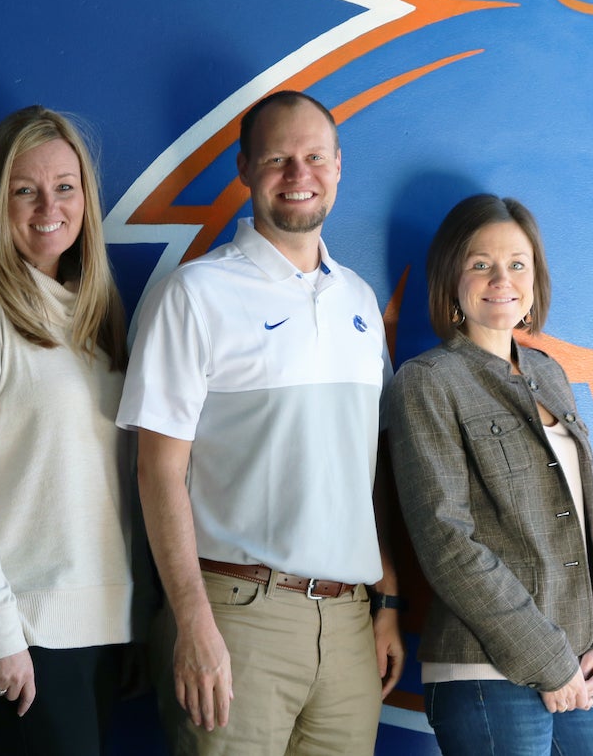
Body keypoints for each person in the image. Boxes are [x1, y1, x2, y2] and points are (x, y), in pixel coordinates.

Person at [119, 90, 405, 755]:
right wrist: (191, 619)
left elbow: (369, 471)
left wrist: (386, 602)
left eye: (312, 157)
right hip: (235, 616)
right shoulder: (193, 293)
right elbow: (157, 469)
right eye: (277, 158)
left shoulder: (359, 302)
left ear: (338, 166)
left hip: (347, 627)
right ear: (245, 169)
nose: (297, 174)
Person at [0, 105, 147, 754]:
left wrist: (133, 620)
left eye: (65, 186)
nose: (50, 204)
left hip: (99, 629)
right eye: (26, 189)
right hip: (24, 630)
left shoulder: (97, 321)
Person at [386, 194, 593, 755]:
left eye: (518, 263)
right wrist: (547, 659)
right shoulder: (427, 381)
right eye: (481, 264)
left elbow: (588, 523)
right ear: (451, 277)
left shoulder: (550, 373)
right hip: (483, 670)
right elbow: (447, 542)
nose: (502, 279)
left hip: (574, 665)